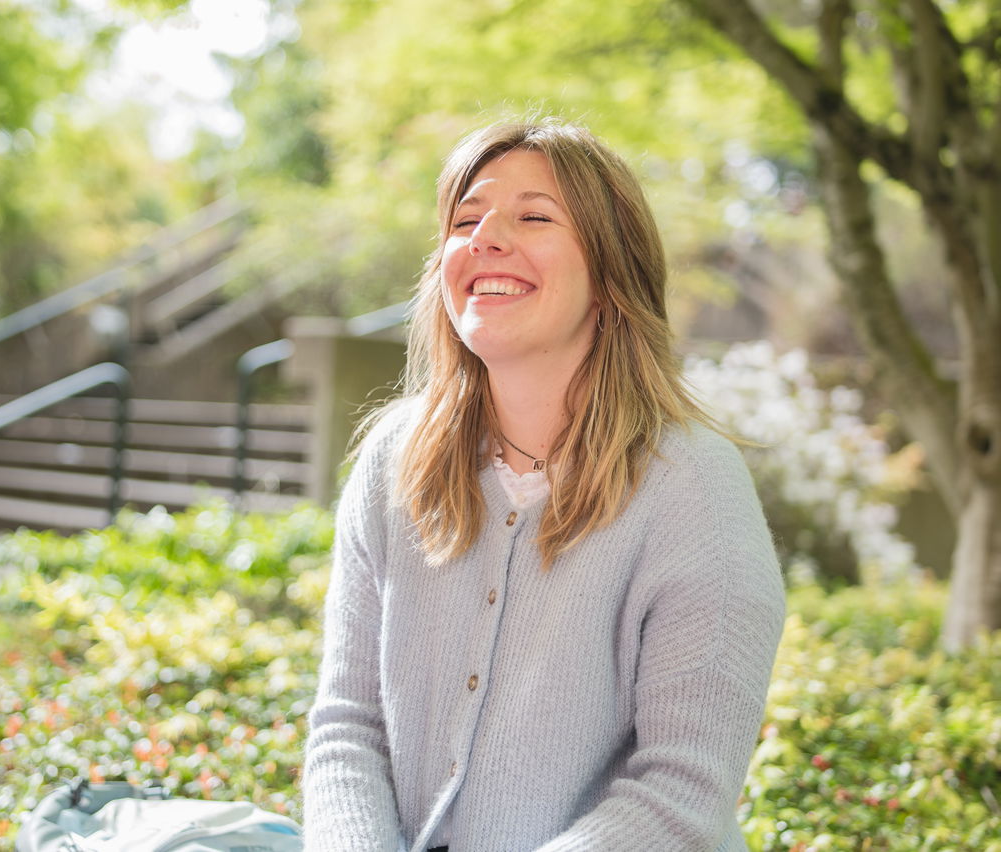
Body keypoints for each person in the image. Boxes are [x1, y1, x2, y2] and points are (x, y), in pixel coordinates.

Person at [302, 119, 786, 852]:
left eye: (534, 216)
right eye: (466, 220)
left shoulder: (697, 490)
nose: (485, 238)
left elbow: (683, 796)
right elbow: (348, 726)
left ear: (610, 275)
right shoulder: (393, 461)